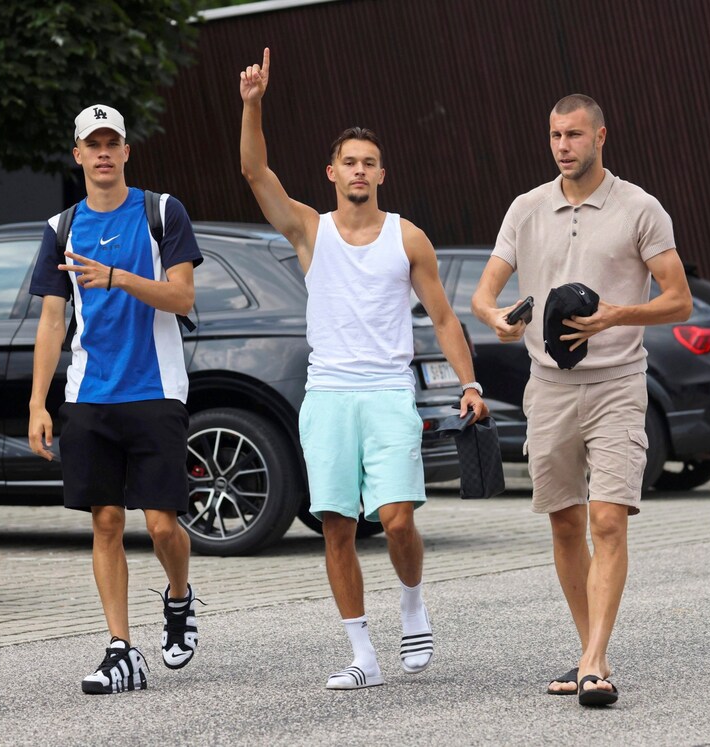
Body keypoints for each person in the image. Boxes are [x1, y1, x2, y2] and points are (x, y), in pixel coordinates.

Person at [240, 49, 488, 690]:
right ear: (332, 172)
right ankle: (362, 655)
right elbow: (254, 170)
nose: (359, 170)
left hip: (386, 392)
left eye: (368, 162)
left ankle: (412, 604)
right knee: (338, 526)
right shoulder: (308, 230)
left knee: (398, 518)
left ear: (382, 172)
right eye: (348, 161)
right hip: (327, 395)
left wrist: (470, 383)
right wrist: (252, 104)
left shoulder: (407, 237)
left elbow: (443, 318)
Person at [472, 94, 692, 706]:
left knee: (607, 519)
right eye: (553, 136)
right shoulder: (526, 208)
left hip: (618, 384)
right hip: (548, 387)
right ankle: (589, 652)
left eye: (573, 135)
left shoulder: (640, 208)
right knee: (566, 523)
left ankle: (594, 660)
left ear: (601, 136)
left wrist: (616, 315)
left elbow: (679, 300)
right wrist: (499, 318)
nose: (562, 146)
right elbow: (485, 293)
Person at [28, 104, 204, 695]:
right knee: (105, 521)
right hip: (89, 395)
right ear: (77, 154)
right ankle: (120, 648)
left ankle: (178, 598)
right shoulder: (60, 227)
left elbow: (183, 299)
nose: (103, 153)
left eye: (113, 143)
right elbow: (53, 321)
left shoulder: (161, 212)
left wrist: (118, 277)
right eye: (92, 144)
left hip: (155, 389)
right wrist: (38, 404)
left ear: (127, 151)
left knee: (160, 525)